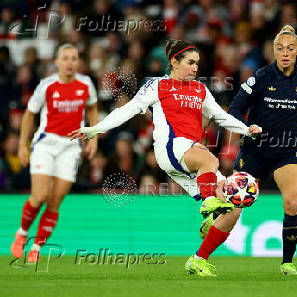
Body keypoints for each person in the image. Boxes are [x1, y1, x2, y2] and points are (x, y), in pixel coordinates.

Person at [69, 39, 262, 276]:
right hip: (172, 147)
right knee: (210, 159)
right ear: (174, 61)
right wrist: (94, 129)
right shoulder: (157, 85)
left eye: (197, 64)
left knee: (235, 207)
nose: (195, 68)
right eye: (190, 63)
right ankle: (209, 204)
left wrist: (246, 129)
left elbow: (220, 117)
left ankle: (199, 259)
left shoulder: (200, 89)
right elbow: (127, 110)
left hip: (187, 157)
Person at [203, 25, 297, 276]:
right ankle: (202, 253)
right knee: (234, 208)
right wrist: (246, 128)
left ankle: (287, 263)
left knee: (292, 203)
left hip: (287, 151)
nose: (285, 53)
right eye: (280, 48)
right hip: (254, 150)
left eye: (290, 48)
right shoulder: (259, 77)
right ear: (273, 50)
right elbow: (235, 109)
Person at [11, 44, 99, 262]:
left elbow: (93, 108)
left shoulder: (86, 84)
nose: (70, 62)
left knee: (55, 200)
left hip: (71, 147)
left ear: (78, 62)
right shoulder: (47, 85)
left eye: (74, 58)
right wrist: (23, 145)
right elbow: (29, 115)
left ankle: (37, 248)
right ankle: (22, 234)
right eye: (65, 58)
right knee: (39, 196)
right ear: (57, 62)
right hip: (46, 144)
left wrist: (93, 136)